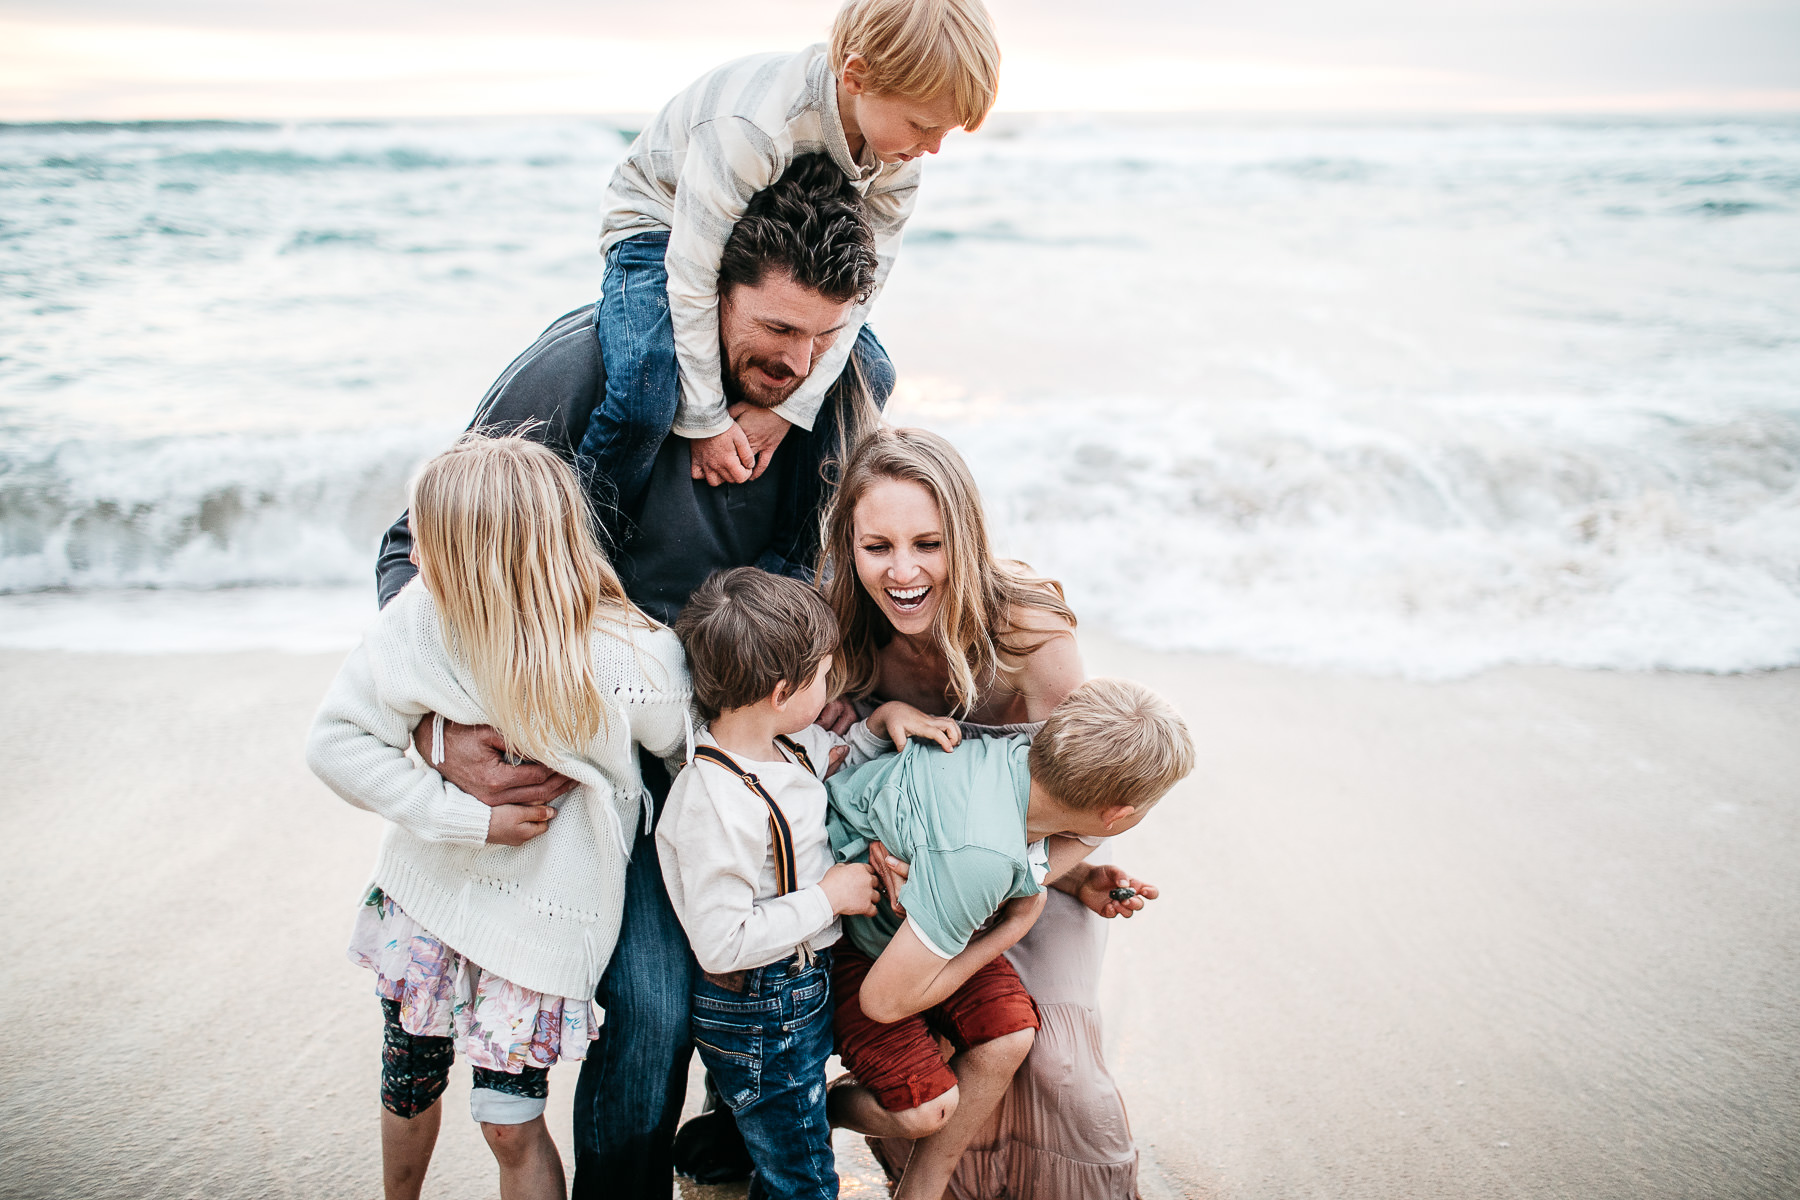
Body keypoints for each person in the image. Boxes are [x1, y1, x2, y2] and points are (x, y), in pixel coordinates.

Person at [370, 157, 891, 1199]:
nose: (801, 360)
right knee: (649, 1009)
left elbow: (850, 545)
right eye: (777, 331)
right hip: (580, 737)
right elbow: (411, 553)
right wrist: (439, 738)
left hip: (740, 740)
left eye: (825, 336)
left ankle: (722, 1152)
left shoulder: (846, 376)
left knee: (765, 968)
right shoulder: (582, 368)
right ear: (711, 289)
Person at [306, 435, 691, 1200]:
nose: (412, 564)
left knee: (509, 1122)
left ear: (485, 560)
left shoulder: (627, 659)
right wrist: (462, 816)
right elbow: (335, 742)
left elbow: (695, 752)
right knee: (407, 1085)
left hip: (540, 931)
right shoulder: (418, 624)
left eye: (429, 545)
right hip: (430, 902)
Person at [817, 426, 1158, 1196]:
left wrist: (1070, 881)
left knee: (1062, 1070)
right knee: (937, 1051)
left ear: (964, 537)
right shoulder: (838, 627)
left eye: (928, 544)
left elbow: (1076, 793)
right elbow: (821, 774)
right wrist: (863, 848)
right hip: (908, 880)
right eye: (878, 548)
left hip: (1035, 869)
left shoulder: (1029, 631)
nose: (903, 573)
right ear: (850, 546)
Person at [582, 0, 999, 514]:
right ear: (856, 77)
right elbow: (691, 274)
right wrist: (706, 418)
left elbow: (861, 295)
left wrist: (790, 410)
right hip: (661, 224)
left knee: (870, 370)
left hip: (770, 228)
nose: (933, 148)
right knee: (645, 390)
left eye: (946, 132)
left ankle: (796, 564)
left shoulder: (899, 159)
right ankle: (586, 547)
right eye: (920, 125)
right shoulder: (756, 127)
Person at [823, 679, 1197, 1200]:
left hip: (926, 920)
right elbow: (884, 1002)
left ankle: (922, 1190)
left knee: (1009, 1036)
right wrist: (1012, 930)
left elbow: (1013, 842)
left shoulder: (1014, 756)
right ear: (1119, 814)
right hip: (856, 941)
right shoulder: (982, 861)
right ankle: (815, 1108)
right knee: (924, 1111)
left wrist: (1077, 876)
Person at [657, 567, 959, 1200]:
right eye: (823, 676)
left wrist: (886, 722)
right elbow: (721, 943)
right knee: (804, 1178)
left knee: (791, 1147)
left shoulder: (783, 744)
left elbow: (840, 750)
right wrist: (830, 897)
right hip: (758, 1008)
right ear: (781, 689)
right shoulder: (714, 800)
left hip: (799, 991)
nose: (833, 689)